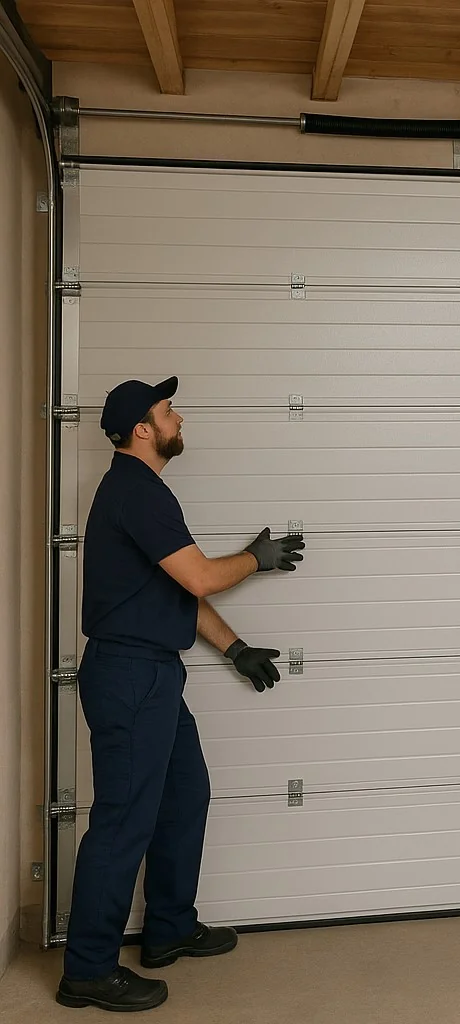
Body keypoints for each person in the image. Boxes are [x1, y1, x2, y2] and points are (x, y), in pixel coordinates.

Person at [56, 376, 306, 1013]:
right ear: (144, 428)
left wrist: (235, 648)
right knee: (123, 821)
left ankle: (167, 928)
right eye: (168, 411)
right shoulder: (136, 492)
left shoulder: (143, 493)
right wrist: (255, 557)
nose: (179, 417)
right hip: (131, 675)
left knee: (185, 793)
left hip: (153, 674)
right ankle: (87, 968)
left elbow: (175, 592)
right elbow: (199, 575)